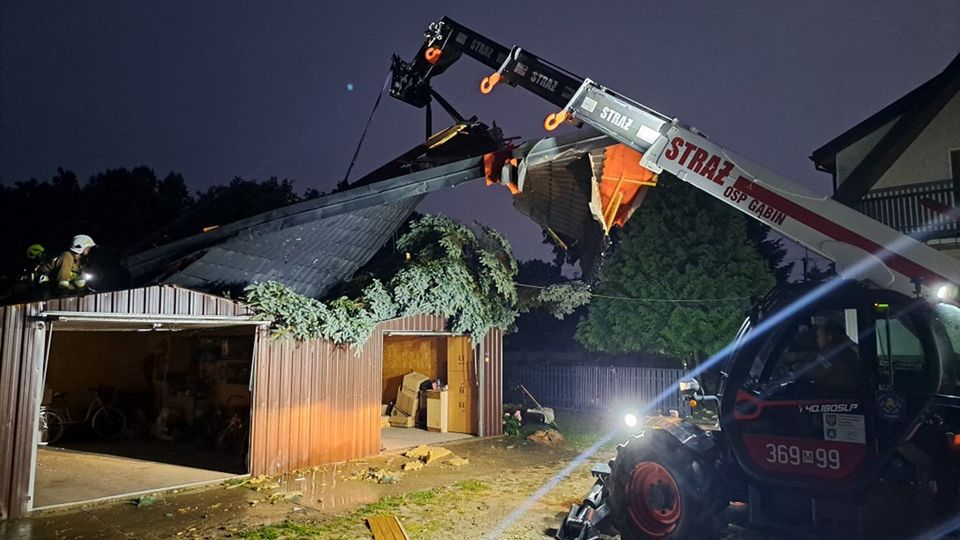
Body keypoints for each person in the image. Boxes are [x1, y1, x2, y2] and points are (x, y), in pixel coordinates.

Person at [810, 320, 861, 396]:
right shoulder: (851, 351)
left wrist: (798, 368)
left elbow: (813, 372)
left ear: (830, 337)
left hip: (835, 396)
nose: (817, 340)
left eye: (819, 336)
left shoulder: (831, 352)